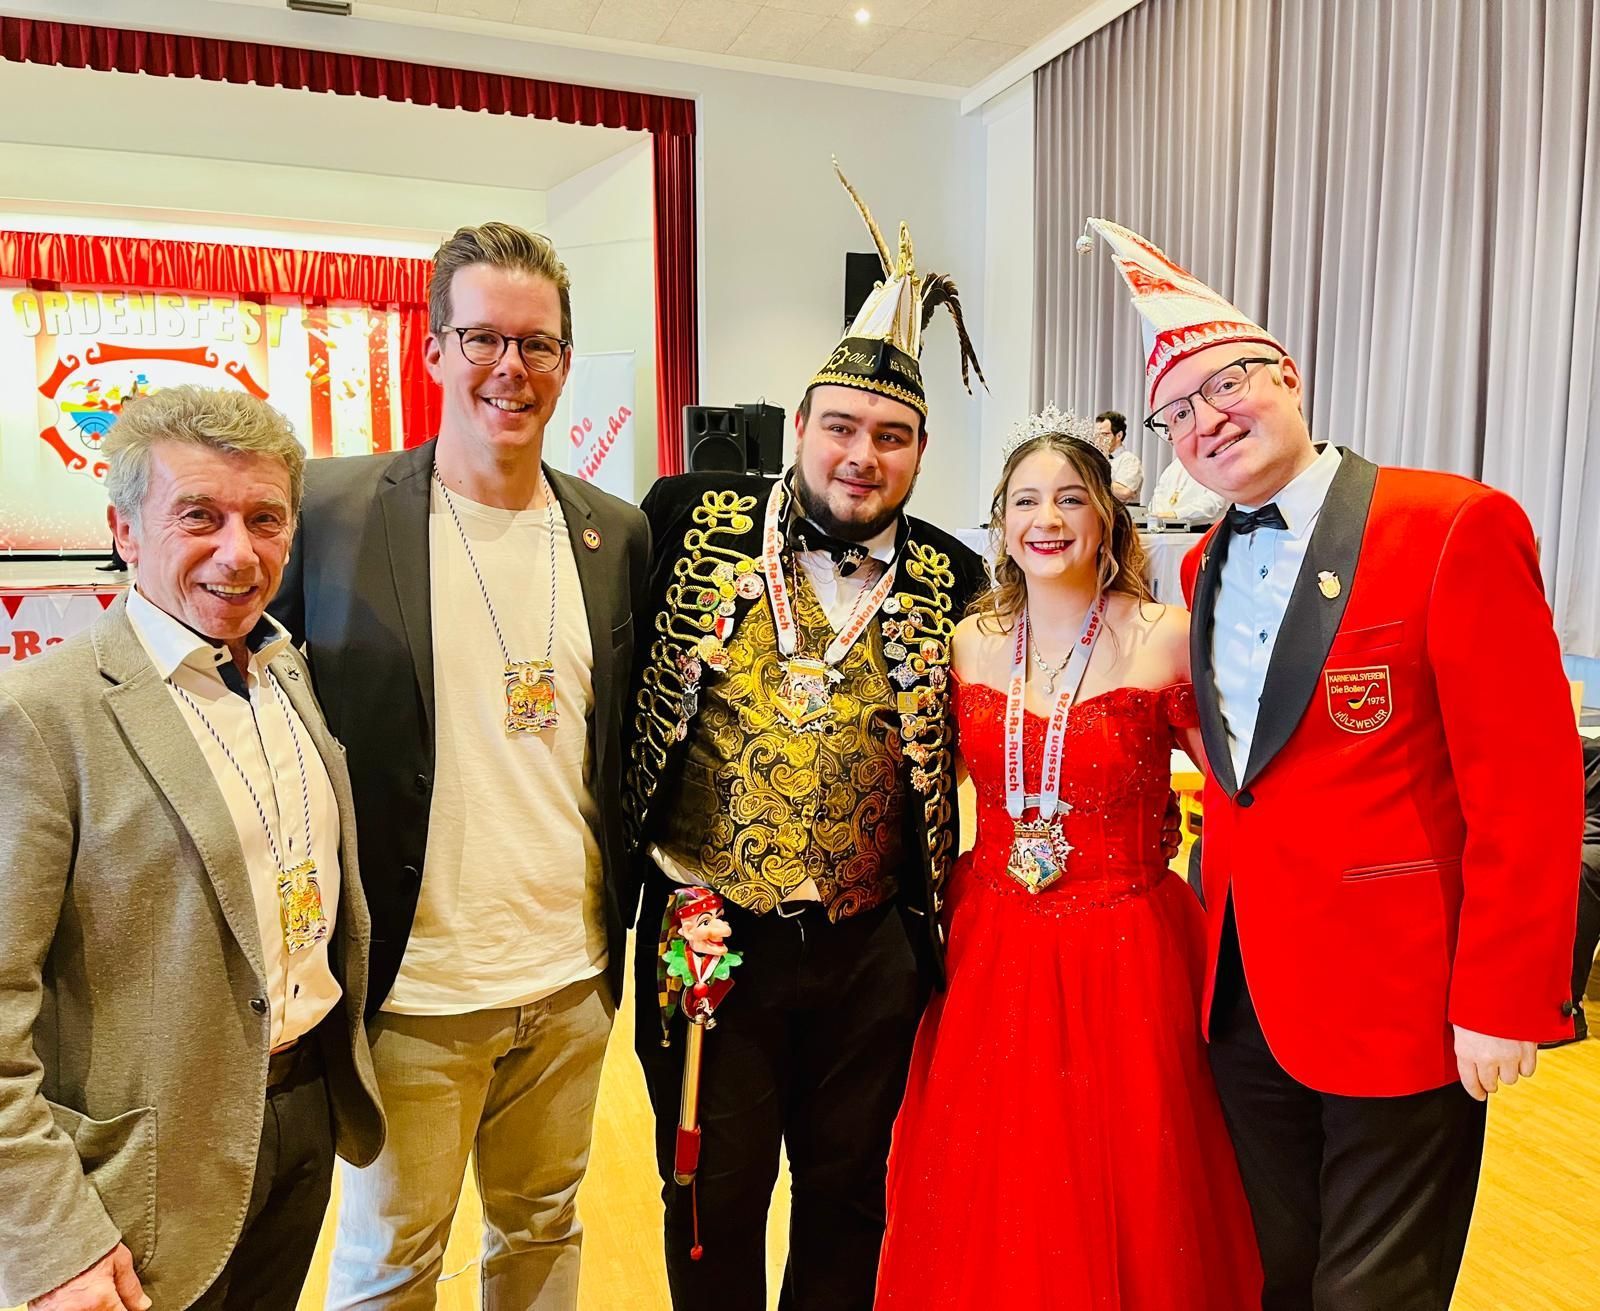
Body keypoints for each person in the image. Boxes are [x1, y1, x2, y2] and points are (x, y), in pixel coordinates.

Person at [1081, 217, 1582, 1310]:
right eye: (1178, 412)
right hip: (1240, 993)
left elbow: (1529, 783)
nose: (1208, 420)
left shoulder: (1450, 524)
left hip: (1400, 993)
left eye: (1227, 384)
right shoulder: (1205, 562)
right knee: (1273, 1272)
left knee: (1376, 1289)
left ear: (1288, 376)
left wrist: (1505, 995)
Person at [622, 165, 989, 1311]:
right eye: (840, 427)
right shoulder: (685, 517)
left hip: (871, 950)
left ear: (920, 451)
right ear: (798, 428)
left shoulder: (956, 576)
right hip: (706, 936)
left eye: (892, 436)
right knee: (709, 1199)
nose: (860, 456)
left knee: (848, 1199)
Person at [270, 222, 649, 1310]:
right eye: (483, 338)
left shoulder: (613, 533)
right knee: (392, 1264)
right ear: (433, 349)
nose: (509, 368)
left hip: (571, 979)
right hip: (412, 990)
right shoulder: (331, 511)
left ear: (565, 362)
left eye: (537, 344)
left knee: (543, 1232)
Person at [0, 385, 384, 1311]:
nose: (238, 553)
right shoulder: (42, 715)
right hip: (138, 1169)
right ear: (125, 531)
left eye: (264, 519)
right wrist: (51, 1237)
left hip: (298, 1113)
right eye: (199, 516)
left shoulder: (285, 670)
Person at [874, 412, 1262, 1308]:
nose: (1046, 519)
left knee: (1129, 1169)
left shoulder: (1167, 635)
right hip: (993, 943)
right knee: (997, 1170)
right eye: (1025, 501)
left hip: (1127, 948)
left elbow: (1241, 787)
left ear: (1107, 518)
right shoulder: (968, 641)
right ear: (1002, 523)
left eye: (1069, 499)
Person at [1148, 453, 1226, 521]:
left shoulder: (1217, 462)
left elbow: (1214, 503)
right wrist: (1159, 515)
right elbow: (1159, 493)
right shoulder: (1176, 463)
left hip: (1201, 529)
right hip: (1167, 527)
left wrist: (1176, 514)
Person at [1096, 409, 1144, 502]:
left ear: (1119, 435)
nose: (1099, 439)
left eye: (1104, 434)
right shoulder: (1096, 458)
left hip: (1121, 510)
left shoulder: (1129, 460)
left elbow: (1124, 492)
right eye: (1097, 435)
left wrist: (1093, 481)